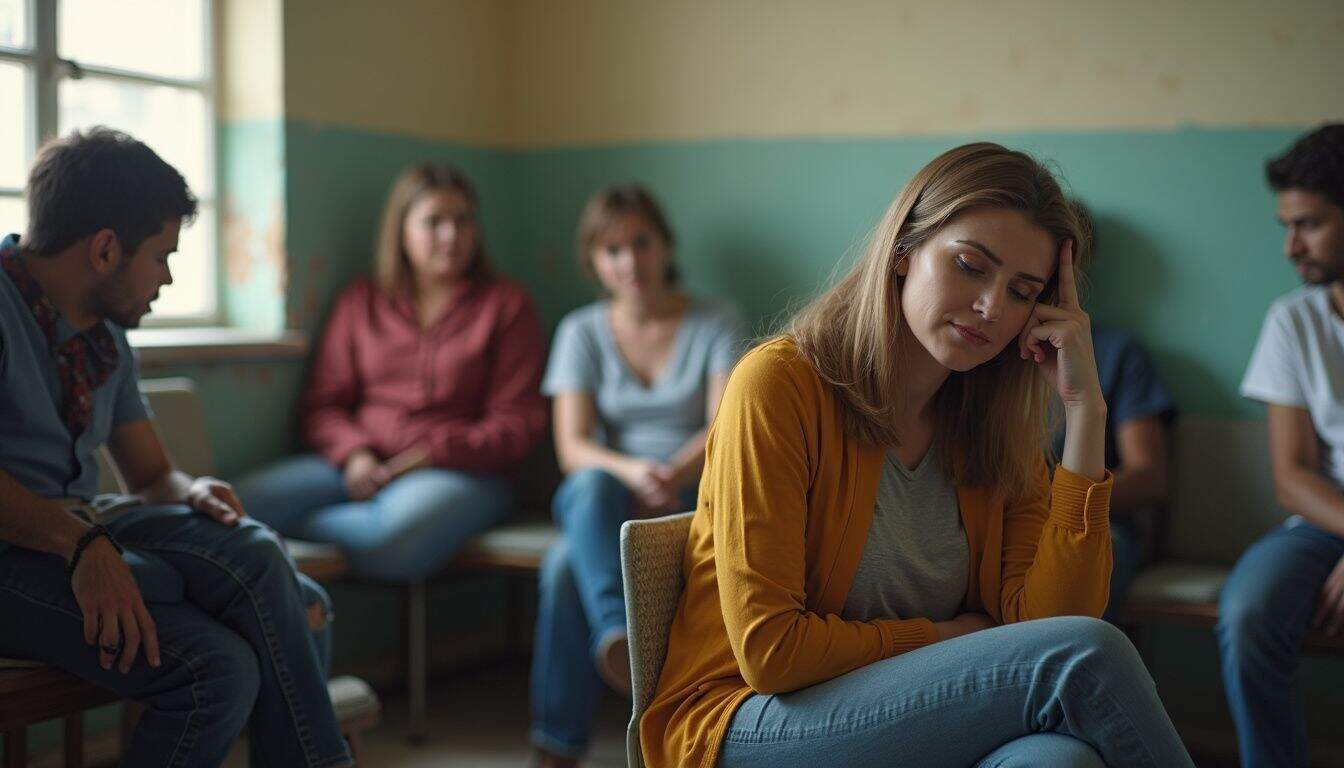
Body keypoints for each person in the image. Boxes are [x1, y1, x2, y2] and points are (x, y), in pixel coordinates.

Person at [638, 142, 1194, 768]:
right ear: (903, 250)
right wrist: (944, 639)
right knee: (1089, 657)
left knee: (1057, 761)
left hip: (909, 718)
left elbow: (1049, 622)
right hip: (748, 721)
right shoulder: (778, 385)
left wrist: (1085, 411)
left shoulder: (994, 427)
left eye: (1022, 292)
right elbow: (772, 653)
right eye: (970, 265)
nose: (991, 307)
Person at [0, 128, 350, 767]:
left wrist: (190, 491)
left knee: (254, 555)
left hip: (84, 527)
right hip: (20, 548)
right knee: (224, 665)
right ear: (105, 249)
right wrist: (82, 547)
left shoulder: (105, 337)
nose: (166, 278)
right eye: (162, 255)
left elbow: (154, 476)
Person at [236, 162, 548, 583]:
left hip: (462, 473)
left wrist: (434, 452)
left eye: (463, 222)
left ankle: (282, 532)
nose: (451, 236)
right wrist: (354, 455)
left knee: (390, 540)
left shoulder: (507, 306)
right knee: (234, 503)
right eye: (433, 222)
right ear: (401, 229)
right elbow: (324, 404)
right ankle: (281, 529)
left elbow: (517, 425)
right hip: (358, 464)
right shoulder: (361, 300)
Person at [529, 185, 744, 767]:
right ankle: (612, 637)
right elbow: (572, 448)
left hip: (691, 488)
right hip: (608, 497)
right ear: (594, 262)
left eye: (641, 243)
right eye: (612, 249)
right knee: (589, 487)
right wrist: (633, 470)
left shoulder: (714, 319)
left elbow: (724, 427)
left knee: (561, 566)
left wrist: (671, 472)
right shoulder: (580, 331)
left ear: (665, 245)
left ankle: (556, 743)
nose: (629, 262)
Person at [1217, 123, 1344, 767]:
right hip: (1323, 520)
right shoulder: (1293, 320)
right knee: (1248, 614)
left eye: (1312, 224)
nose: (1292, 246)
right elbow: (1292, 476)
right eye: (1285, 226)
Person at [1050, 203, 1176, 622]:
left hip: (1099, 527)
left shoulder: (1119, 352)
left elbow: (1148, 476)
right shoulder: (984, 347)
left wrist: (1051, 506)